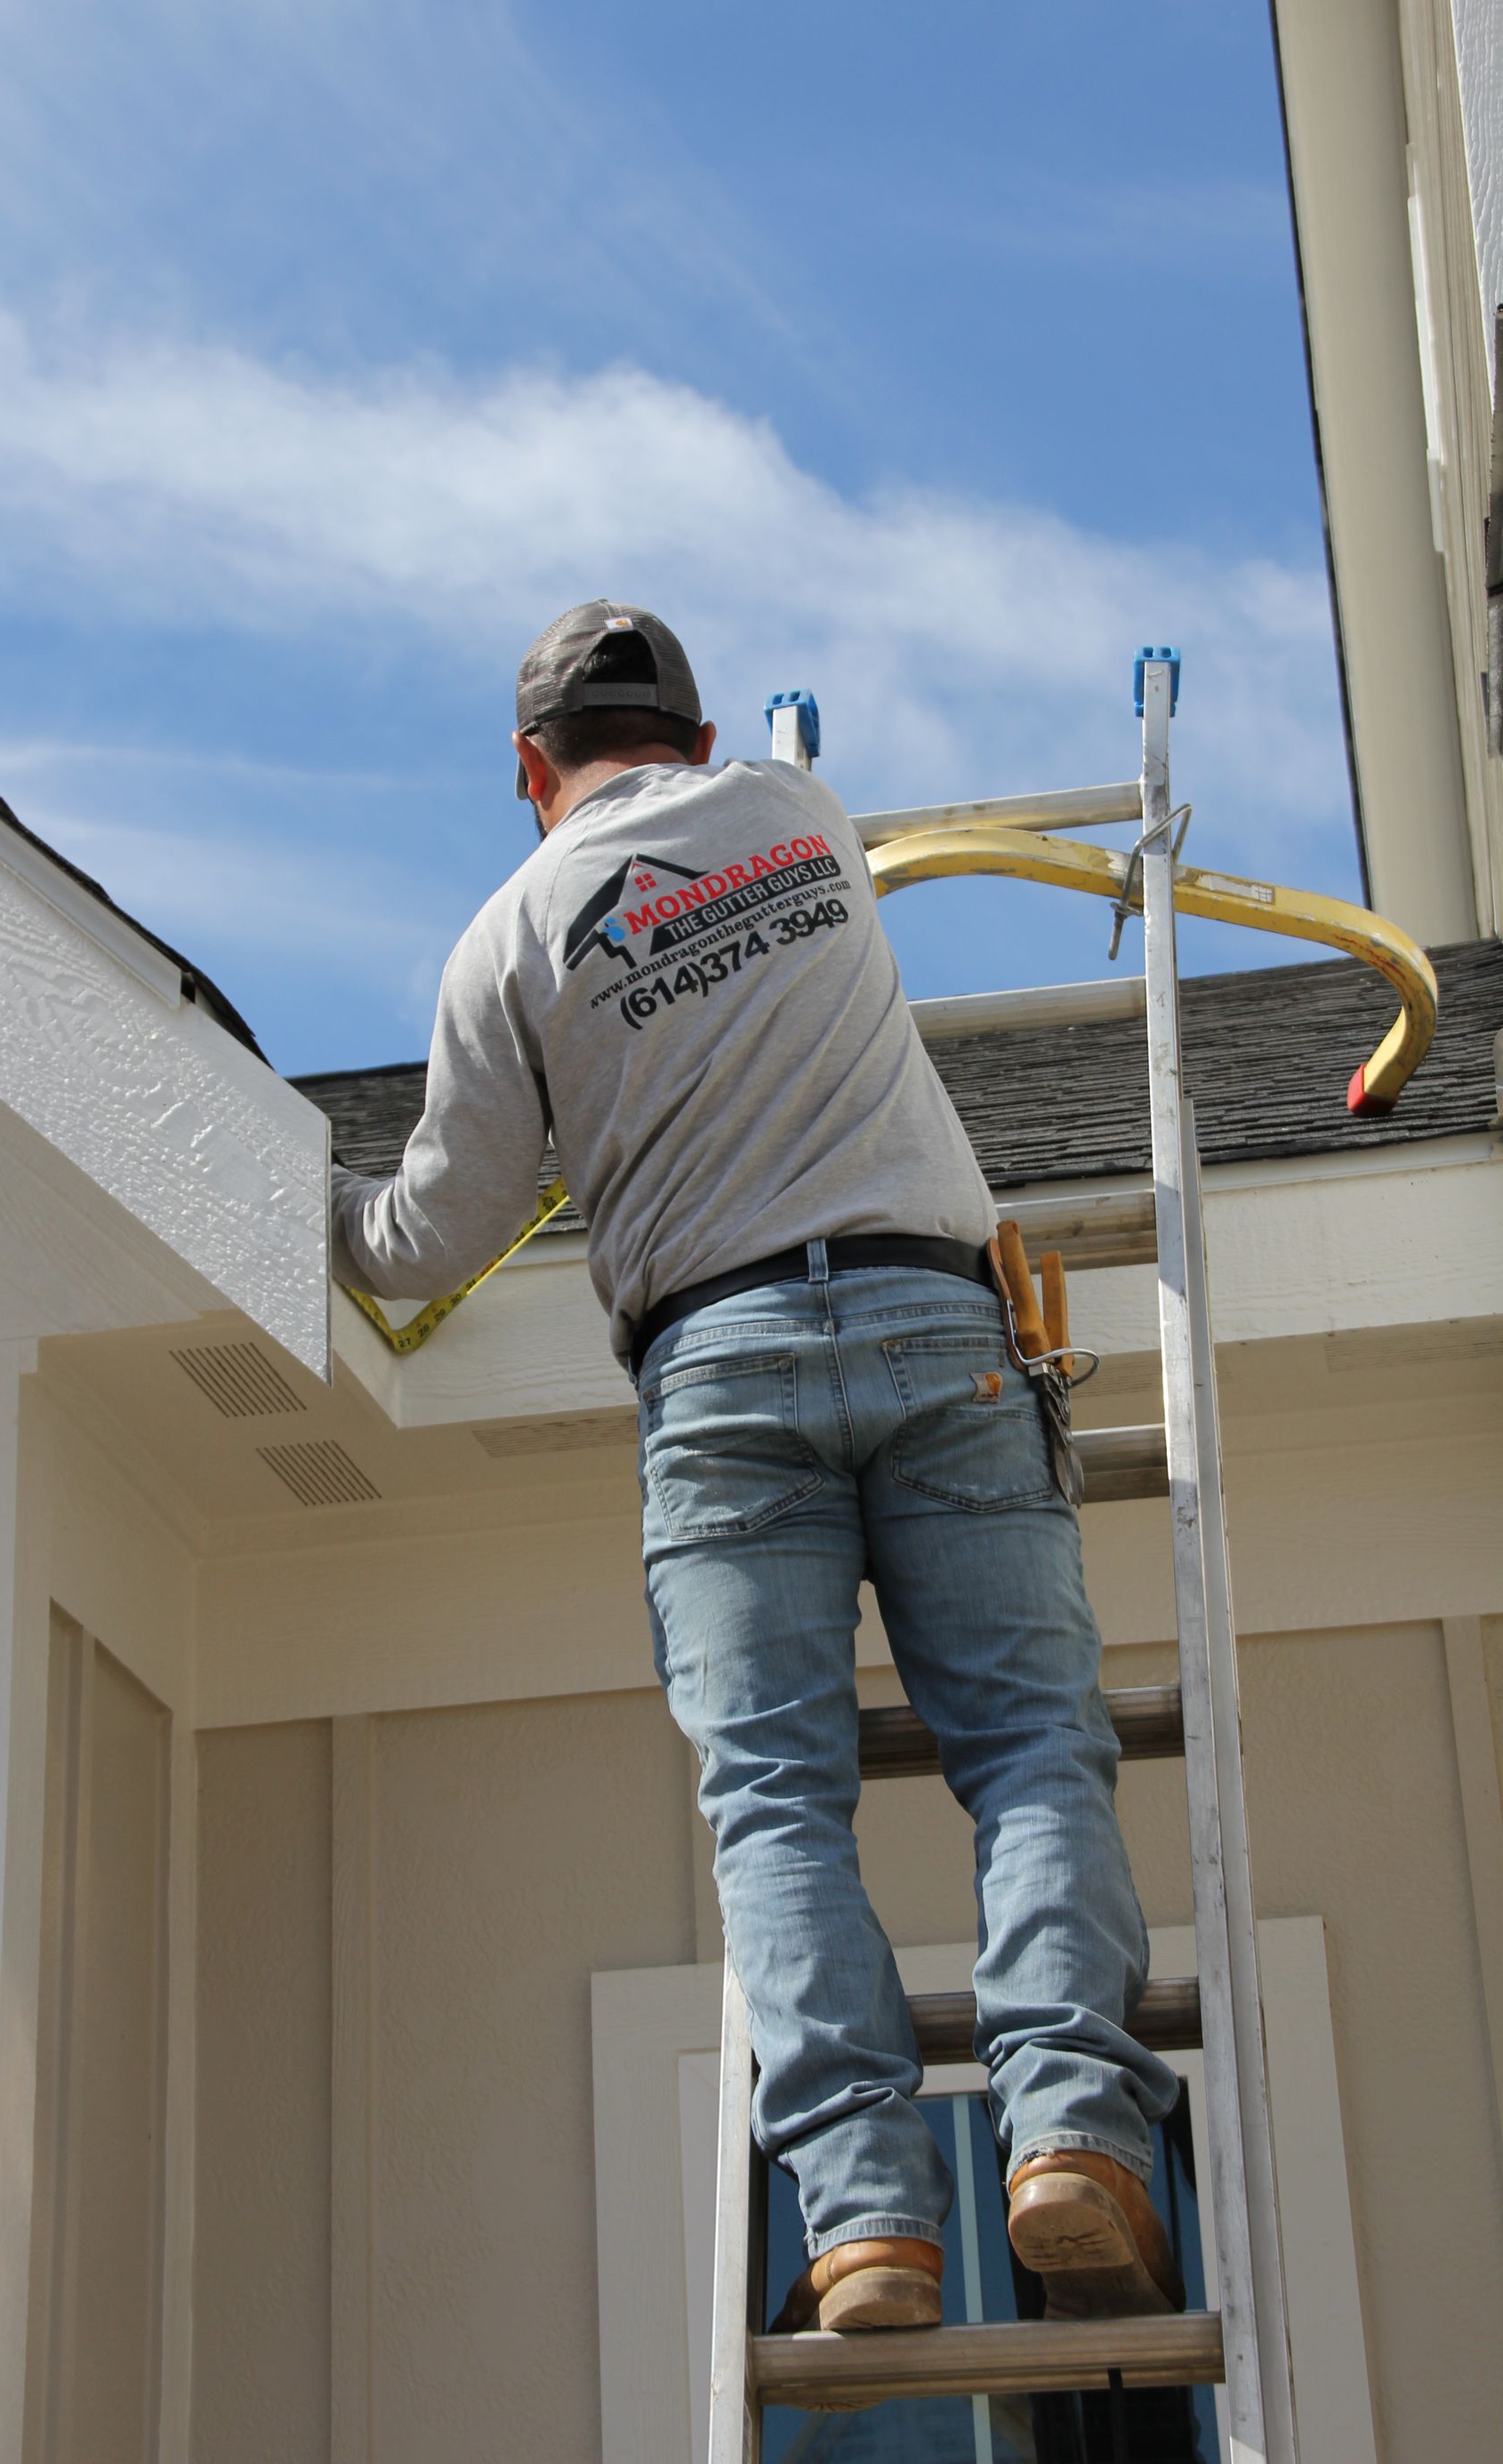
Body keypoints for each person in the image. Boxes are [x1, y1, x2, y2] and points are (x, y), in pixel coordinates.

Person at [332, 601, 1183, 2332]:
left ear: (528, 768)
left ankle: (869, 2219)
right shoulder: (806, 826)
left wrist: (315, 1210)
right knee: (1029, 1746)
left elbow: (431, 1238)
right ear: (706, 741)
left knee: (778, 1803)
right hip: (940, 1325)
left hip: (718, 1378)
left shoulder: (503, 939)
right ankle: (1073, 2133)